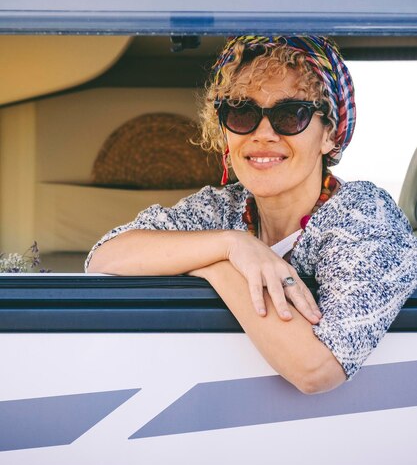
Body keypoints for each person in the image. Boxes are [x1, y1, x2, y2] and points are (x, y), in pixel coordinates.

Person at [86, 35, 417, 394]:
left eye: (290, 114)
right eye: (242, 112)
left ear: (330, 135)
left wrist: (216, 265)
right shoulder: (222, 209)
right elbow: (105, 256)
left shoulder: (365, 216)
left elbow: (318, 368)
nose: (263, 134)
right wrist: (233, 245)